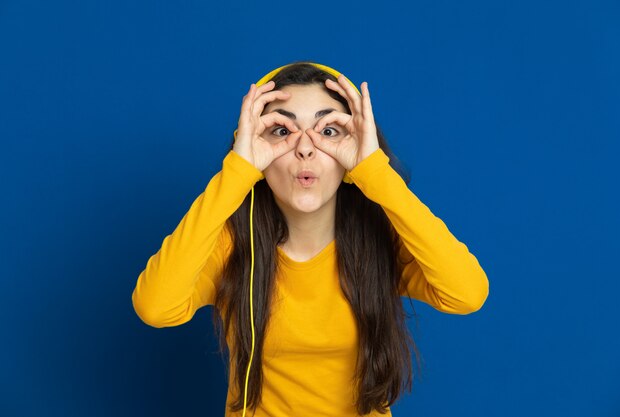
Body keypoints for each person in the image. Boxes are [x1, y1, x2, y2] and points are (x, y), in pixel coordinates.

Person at [131, 61, 489, 417]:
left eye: (329, 131)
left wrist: (374, 171)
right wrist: (238, 173)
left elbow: (466, 294)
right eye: (281, 131)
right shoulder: (232, 246)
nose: (305, 148)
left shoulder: (381, 245)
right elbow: (156, 307)